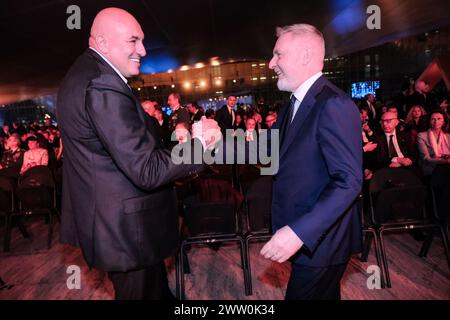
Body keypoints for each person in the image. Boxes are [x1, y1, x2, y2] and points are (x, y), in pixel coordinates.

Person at [56, 8, 212, 300]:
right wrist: (201, 146)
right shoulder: (102, 83)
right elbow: (147, 169)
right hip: (126, 233)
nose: (142, 49)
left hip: (120, 228)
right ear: (101, 42)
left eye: (142, 41)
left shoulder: (84, 74)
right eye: (133, 41)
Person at [260, 24, 363, 300]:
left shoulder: (333, 104)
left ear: (305, 56)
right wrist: (209, 144)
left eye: (278, 55)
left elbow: (349, 181)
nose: (271, 64)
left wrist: (298, 233)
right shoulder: (292, 103)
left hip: (322, 241)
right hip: (310, 240)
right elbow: (265, 151)